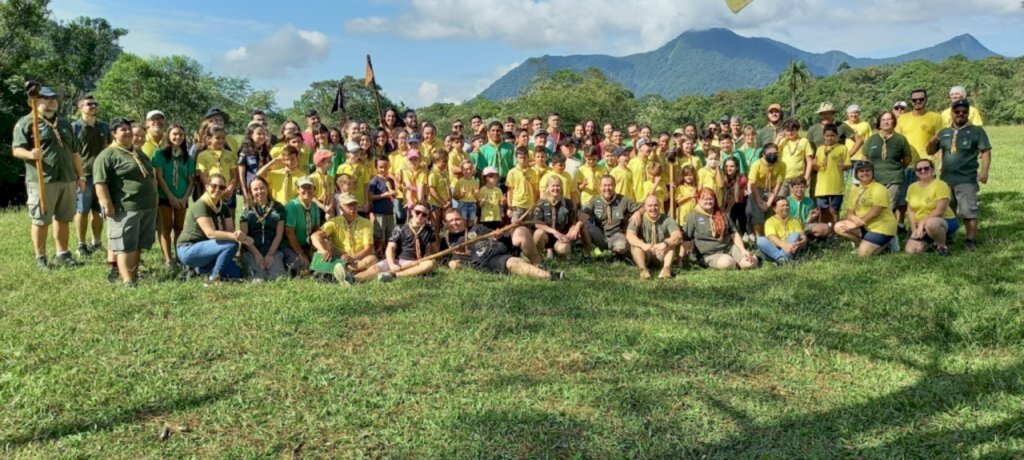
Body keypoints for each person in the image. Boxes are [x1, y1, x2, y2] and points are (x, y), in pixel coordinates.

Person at [11, 86, 85, 270]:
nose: (52, 101)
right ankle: (41, 257)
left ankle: (63, 254)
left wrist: (81, 176)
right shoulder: (27, 122)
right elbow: (16, 149)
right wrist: (30, 154)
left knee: (64, 218)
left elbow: (75, 152)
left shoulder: (65, 123)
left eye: (54, 98)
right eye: (46, 98)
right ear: (35, 101)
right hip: (42, 180)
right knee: (41, 219)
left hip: (67, 177)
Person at [92, 118, 158, 286]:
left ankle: (133, 275)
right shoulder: (108, 155)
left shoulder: (137, 152)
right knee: (125, 245)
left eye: (129, 128)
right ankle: (127, 281)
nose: (128, 132)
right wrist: (106, 204)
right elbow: (100, 182)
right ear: (114, 133)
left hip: (146, 206)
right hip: (125, 207)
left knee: (138, 244)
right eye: (123, 129)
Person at [927, 99, 991, 251]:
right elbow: (930, 151)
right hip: (946, 180)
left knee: (968, 210)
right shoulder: (944, 132)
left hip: (966, 179)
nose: (960, 114)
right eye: (957, 111)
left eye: (964, 111)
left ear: (968, 113)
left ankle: (970, 240)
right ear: (952, 113)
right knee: (947, 210)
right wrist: (931, 141)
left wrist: (984, 171)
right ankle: (947, 236)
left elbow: (986, 151)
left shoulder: (977, 131)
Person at [441, 208, 560, 279]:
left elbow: (498, 233)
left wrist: (498, 234)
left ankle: (539, 264)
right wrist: (450, 264)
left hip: (502, 246)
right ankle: (550, 276)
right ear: (445, 224)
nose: (455, 223)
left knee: (521, 230)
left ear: (462, 219)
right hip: (490, 260)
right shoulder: (446, 242)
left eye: (457, 219)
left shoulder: (476, 228)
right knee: (512, 262)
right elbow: (442, 261)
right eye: (450, 221)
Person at [177, 173, 248, 283]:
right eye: (214, 186)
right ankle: (214, 277)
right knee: (232, 244)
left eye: (221, 187)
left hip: (209, 248)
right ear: (206, 186)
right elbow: (211, 233)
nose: (217, 189)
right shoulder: (201, 205)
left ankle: (199, 270)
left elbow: (230, 230)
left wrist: (237, 235)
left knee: (235, 274)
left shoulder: (223, 207)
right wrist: (237, 237)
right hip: (189, 248)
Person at [311, 193, 385, 285]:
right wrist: (323, 250)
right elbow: (314, 236)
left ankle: (341, 274)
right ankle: (345, 274)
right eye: (348, 205)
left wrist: (352, 258)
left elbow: (368, 248)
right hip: (339, 258)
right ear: (341, 207)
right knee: (324, 243)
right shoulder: (334, 222)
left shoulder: (366, 223)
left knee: (372, 259)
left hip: (358, 259)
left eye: (354, 204)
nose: (353, 208)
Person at [863, 110, 913, 246]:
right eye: (883, 119)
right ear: (879, 122)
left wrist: (896, 169)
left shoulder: (900, 139)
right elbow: (865, 158)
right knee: (874, 207)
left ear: (894, 122)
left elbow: (908, 158)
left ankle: (891, 238)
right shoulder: (872, 139)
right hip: (875, 180)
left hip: (893, 178)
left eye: (889, 119)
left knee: (888, 208)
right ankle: (875, 234)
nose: (886, 122)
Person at [682, 188, 758, 270]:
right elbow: (686, 239)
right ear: (698, 200)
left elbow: (734, 233)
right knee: (726, 263)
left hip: (729, 249)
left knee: (749, 263)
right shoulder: (692, 216)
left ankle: (748, 259)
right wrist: (680, 259)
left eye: (711, 199)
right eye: (705, 199)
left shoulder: (722, 214)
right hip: (709, 254)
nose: (708, 201)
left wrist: (743, 250)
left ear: (714, 200)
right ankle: (735, 263)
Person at [71, 95, 110, 257]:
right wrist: (76, 176)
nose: (93, 106)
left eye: (95, 104)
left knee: (99, 211)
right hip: (83, 176)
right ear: (80, 107)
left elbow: (109, 149)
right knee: (82, 210)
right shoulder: (74, 128)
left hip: (102, 176)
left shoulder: (104, 127)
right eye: (89, 104)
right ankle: (81, 244)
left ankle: (96, 241)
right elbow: (71, 153)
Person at [834, 162, 899, 257]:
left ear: (873, 173)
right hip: (865, 225)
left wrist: (858, 223)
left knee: (863, 255)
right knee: (838, 226)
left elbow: (875, 211)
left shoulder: (879, 188)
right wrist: (854, 219)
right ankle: (865, 244)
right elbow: (849, 212)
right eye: (861, 171)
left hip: (881, 227)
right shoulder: (855, 190)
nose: (865, 173)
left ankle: (888, 242)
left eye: (868, 170)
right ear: (856, 175)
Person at [152, 124, 195, 266]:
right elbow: (159, 176)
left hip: (182, 198)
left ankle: (179, 255)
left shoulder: (187, 158)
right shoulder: (160, 154)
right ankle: (168, 259)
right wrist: (170, 196)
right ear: (168, 136)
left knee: (179, 227)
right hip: (165, 196)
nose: (178, 137)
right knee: (166, 227)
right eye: (175, 134)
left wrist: (184, 198)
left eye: (181, 135)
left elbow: (191, 181)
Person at [904, 159, 957, 256]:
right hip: (921, 225)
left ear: (932, 170)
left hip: (942, 220)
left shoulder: (941, 185)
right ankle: (932, 241)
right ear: (916, 173)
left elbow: (940, 211)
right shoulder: (912, 187)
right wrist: (914, 229)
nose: (923, 171)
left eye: (926, 168)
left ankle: (942, 246)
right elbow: (910, 210)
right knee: (911, 251)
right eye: (919, 169)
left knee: (931, 224)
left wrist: (922, 224)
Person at [580, 175, 643, 257]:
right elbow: (584, 214)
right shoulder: (595, 200)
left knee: (621, 247)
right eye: (604, 185)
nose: (607, 188)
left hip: (617, 235)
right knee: (583, 225)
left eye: (610, 185)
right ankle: (586, 255)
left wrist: (638, 213)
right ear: (600, 187)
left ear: (614, 186)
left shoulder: (623, 199)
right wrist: (577, 226)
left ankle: (616, 253)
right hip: (601, 236)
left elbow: (643, 207)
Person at [239, 176, 287, 280]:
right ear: (251, 192)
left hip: (273, 250)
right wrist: (257, 254)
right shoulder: (246, 209)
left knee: (277, 278)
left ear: (267, 188)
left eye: (262, 188)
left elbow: (279, 234)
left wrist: (270, 254)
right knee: (258, 280)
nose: (259, 191)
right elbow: (244, 236)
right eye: (255, 189)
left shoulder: (279, 208)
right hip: (252, 251)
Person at [626, 195, 682, 279]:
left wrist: (665, 243)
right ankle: (643, 270)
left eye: (656, 205)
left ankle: (666, 269)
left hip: (660, 253)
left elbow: (678, 235)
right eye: (650, 206)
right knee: (636, 245)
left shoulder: (667, 219)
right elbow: (630, 235)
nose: (653, 208)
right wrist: (643, 245)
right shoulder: (638, 218)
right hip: (645, 254)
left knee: (671, 245)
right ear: (645, 207)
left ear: (660, 206)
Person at [378, 202, 437, 277]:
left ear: (427, 217)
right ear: (412, 212)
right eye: (417, 212)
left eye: (424, 214)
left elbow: (434, 250)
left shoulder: (430, 230)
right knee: (374, 268)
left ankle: (394, 275)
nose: (420, 216)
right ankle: (358, 279)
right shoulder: (400, 228)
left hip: (415, 263)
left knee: (429, 264)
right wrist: (392, 264)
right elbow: (390, 248)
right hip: (397, 261)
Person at [533, 176, 583, 259]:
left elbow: (572, 223)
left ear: (561, 187)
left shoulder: (568, 203)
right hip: (547, 236)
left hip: (561, 237)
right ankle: (538, 257)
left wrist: (568, 235)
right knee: (538, 234)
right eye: (553, 186)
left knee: (564, 249)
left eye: (558, 186)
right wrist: (554, 232)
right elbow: (538, 224)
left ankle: (560, 255)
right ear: (548, 188)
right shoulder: (541, 203)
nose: (555, 188)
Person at [195, 125, 239, 216]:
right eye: (217, 138)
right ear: (209, 138)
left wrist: (229, 189)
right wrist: (215, 190)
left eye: (223, 138)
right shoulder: (203, 155)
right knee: (211, 217)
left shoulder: (230, 155)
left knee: (228, 218)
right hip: (212, 192)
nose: (221, 140)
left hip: (227, 193)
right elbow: (204, 177)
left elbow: (234, 175)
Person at [283, 177, 322, 273]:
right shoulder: (292, 206)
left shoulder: (314, 206)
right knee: (301, 266)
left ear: (314, 189)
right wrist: (300, 253)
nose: (307, 190)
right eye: (303, 188)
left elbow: (316, 228)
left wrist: (313, 247)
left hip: (306, 244)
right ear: (298, 190)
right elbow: (289, 232)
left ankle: (320, 270)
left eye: (310, 187)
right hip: (289, 246)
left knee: (323, 252)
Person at [812, 124, 850, 225]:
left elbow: (847, 165)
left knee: (834, 210)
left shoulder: (842, 148)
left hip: (836, 186)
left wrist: (844, 167)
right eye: (827, 135)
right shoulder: (820, 149)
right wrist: (814, 165)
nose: (830, 138)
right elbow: (816, 166)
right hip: (822, 186)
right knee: (823, 210)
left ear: (837, 136)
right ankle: (825, 231)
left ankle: (834, 231)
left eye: (832, 135)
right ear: (823, 136)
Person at [747, 143, 786, 237]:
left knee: (770, 215)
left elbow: (778, 185)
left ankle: (769, 237)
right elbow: (752, 184)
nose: (773, 155)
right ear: (764, 154)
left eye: (775, 153)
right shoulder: (756, 164)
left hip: (771, 190)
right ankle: (758, 240)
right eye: (769, 153)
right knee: (757, 216)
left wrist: (769, 203)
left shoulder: (781, 165)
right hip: (757, 189)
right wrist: (760, 202)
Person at [756, 197, 808, 265]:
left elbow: (803, 237)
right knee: (760, 240)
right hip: (774, 249)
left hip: (791, 248)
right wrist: (785, 246)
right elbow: (772, 237)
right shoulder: (770, 221)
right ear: (775, 209)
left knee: (795, 235)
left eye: (787, 205)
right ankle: (782, 258)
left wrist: (800, 243)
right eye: (782, 206)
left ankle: (781, 260)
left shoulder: (794, 221)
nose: (785, 207)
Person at [236, 123, 272, 208]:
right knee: (251, 213)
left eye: (264, 134)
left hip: (264, 188)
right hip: (250, 188)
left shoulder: (265, 152)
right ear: (250, 135)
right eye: (259, 134)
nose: (262, 136)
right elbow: (241, 175)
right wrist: (245, 193)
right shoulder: (244, 151)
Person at [368, 156, 398, 256]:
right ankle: (379, 255)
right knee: (379, 236)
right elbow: (370, 196)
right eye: (380, 167)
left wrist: (394, 194)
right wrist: (384, 195)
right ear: (376, 167)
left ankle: (388, 255)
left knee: (390, 235)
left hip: (389, 212)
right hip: (379, 213)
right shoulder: (374, 180)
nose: (383, 169)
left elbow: (393, 195)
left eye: (385, 167)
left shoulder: (390, 180)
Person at [777, 119, 813, 197]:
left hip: (798, 178)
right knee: (780, 199)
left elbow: (809, 161)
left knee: (797, 199)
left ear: (797, 129)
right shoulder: (782, 141)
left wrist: (806, 178)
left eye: (792, 130)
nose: (790, 133)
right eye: (787, 130)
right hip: (784, 177)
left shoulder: (804, 141)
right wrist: (778, 139)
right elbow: (772, 152)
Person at [506, 147, 538, 221]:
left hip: (529, 205)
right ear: (516, 158)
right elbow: (509, 191)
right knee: (515, 227)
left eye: (525, 158)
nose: (523, 160)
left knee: (529, 228)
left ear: (528, 158)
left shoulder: (532, 172)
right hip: (517, 205)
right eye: (520, 158)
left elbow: (535, 189)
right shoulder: (512, 172)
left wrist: (535, 204)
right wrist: (509, 207)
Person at [453, 159, 480, 228]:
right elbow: (455, 197)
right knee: (463, 222)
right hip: (463, 203)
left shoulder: (475, 182)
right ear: (462, 170)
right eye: (466, 169)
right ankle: (463, 237)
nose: (468, 171)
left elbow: (477, 198)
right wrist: (461, 194)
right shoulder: (459, 182)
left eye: (470, 169)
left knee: (471, 223)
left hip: (472, 204)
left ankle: (469, 238)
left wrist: (476, 194)